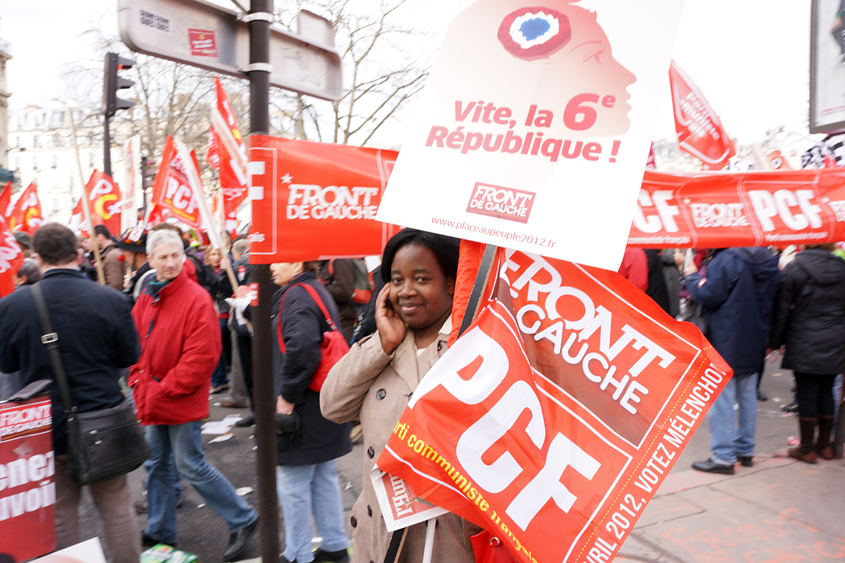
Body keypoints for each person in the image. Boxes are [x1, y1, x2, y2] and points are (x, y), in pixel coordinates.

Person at [321, 229, 481, 563]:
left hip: (444, 540)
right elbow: (332, 406)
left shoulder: (472, 345)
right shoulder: (383, 344)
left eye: (421, 279)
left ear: (451, 282)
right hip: (377, 535)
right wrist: (383, 343)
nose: (406, 291)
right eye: (396, 280)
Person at [0, 223, 142, 563]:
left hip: (47, 428)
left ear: (36, 257)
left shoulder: (13, 306)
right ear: (79, 254)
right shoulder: (110, 298)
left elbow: (7, 365)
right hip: (104, 421)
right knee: (117, 509)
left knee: (62, 516)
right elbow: (129, 357)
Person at [129, 229, 258, 559]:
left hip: (179, 398)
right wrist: (137, 380)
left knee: (190, 464)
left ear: (184, 256)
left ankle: (243, 518)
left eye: (176, 255)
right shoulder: (147, 294)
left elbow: (202, 356)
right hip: (152, 395)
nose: (171, 262)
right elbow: (136, 345)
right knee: (157, 464)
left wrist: (163, 388)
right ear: (151, 260)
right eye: (163, 257)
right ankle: (161, 529)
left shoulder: (197, 297)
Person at [271, 260, 352, 563]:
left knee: (293, 483)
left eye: (278, 261)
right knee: (323, 476)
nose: (271, 268)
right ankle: (334, 546)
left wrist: (288, 397)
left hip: (303, 406)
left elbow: (302, 346)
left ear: (295, 261)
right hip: (323, 403)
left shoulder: (295, 293)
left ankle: (297, 555)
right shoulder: (314, 288)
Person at [683, 247, 780, 474]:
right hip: (754, 337)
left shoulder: (727, 259)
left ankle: (723, 457)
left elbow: (708, 295)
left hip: (725, 336)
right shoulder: (768, 259)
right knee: (747, 396)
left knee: (722, 399)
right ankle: (745, 449)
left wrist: (692, 277)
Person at [768, 244, 845, 463]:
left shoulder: (794, 268)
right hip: (836, 339)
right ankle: (825, 446)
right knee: (827, 390)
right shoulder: (842, 267)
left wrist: (775, 342)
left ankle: (807, 448)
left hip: (804, 339)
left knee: (808, 393)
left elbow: (782, 311)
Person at [206, 246, 232, 394]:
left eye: (218, 254)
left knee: (216, 347)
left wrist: (227, 271)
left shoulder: (226, 271)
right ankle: (219, 379)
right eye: (213, 254)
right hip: (212, 314)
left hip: (223, 314)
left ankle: (218, 380)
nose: (216, 257)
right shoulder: (205, 271)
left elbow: (227, 290)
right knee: (217, 348)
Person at [318, 259, 358, 342]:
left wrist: (322, 286)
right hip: (331, 325)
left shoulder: (340, 261)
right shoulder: (323, 264)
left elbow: (345, 293)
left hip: (342, 325)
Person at [94, 224, 126, 291]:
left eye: (92, 238)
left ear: (100, 237)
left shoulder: (112, 256)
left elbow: (114, 285)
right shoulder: (109, 254)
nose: (92, 242)